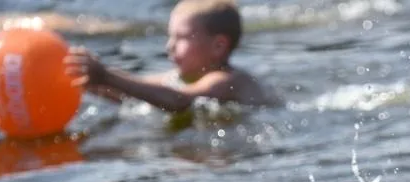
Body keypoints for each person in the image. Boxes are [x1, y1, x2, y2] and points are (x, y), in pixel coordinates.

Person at [63, 0, 277, 112]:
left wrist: (106, 76)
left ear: (218, 46)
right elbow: (134, 91)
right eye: (170, 37)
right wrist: (86, 82)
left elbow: (179, 100)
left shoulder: (225, 80)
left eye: (182, 38)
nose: (169, 46)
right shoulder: (178, 78)